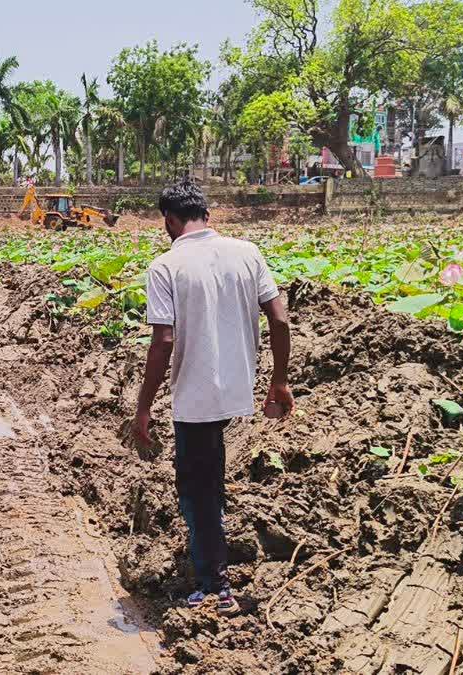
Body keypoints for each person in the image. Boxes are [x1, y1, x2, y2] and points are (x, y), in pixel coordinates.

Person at [130, 179, 293, 615]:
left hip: (196, 396)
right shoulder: (248, 252)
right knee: (211, 471)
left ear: (169, 219)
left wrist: (143, 406)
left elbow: (163, 342)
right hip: (238, 386)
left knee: (195, 487)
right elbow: (279, 319)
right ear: (207, 214)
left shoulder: (165, 266)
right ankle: (213, 537)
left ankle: (213, 583)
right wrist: (278, 382)